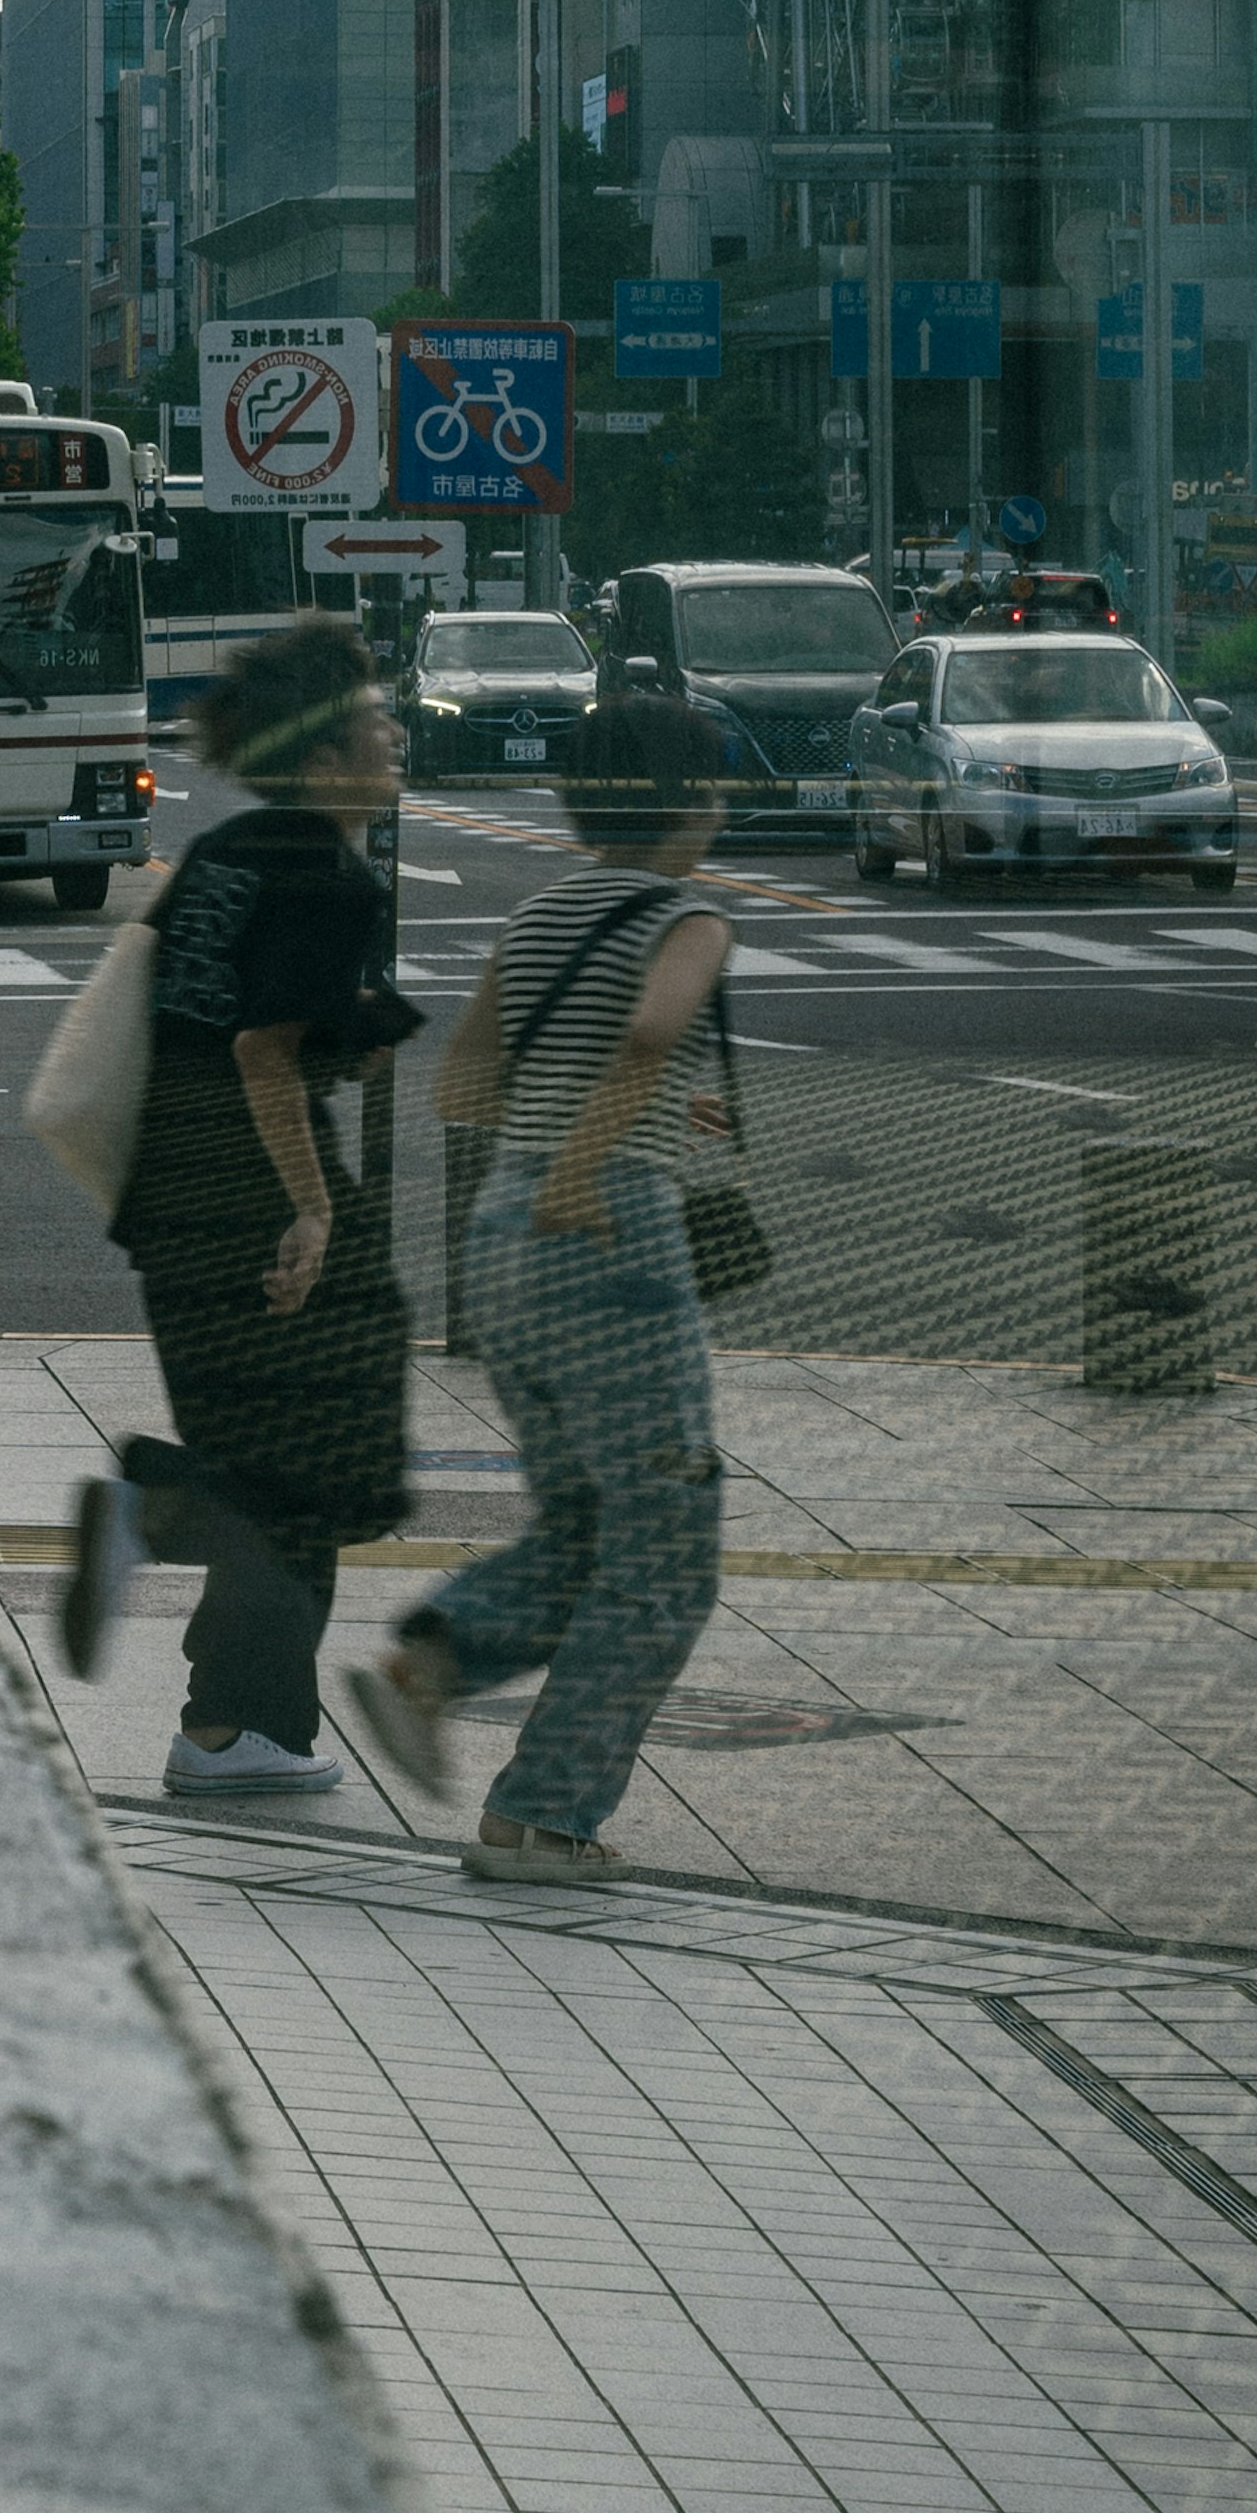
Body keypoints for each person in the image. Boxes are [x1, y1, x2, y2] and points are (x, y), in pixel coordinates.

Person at [343, 695, 740, 1886]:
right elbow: (647, 1039)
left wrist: (560, 1145)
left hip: (503, 1231)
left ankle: (445, 1667)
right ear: (699, 803)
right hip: (603, 1230)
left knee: (584, 1524)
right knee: (668, 1542)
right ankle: (546, 1815)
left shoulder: (539, 912)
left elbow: (462, 1079)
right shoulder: (688, 916)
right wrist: (591, 1161)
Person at [110, 616, 419, 1793]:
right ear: (331, 758)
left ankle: (234, 1732)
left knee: (277, 1470)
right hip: (258, 1205)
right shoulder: (330, 879)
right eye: (377, 722)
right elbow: (261, 1050)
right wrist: (310, 1213)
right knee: (320, 1468)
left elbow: (194, 1008)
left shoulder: (227, 852)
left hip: (166, 1199)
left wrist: (361, 1028)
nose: (394, 734)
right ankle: (163, 1508)